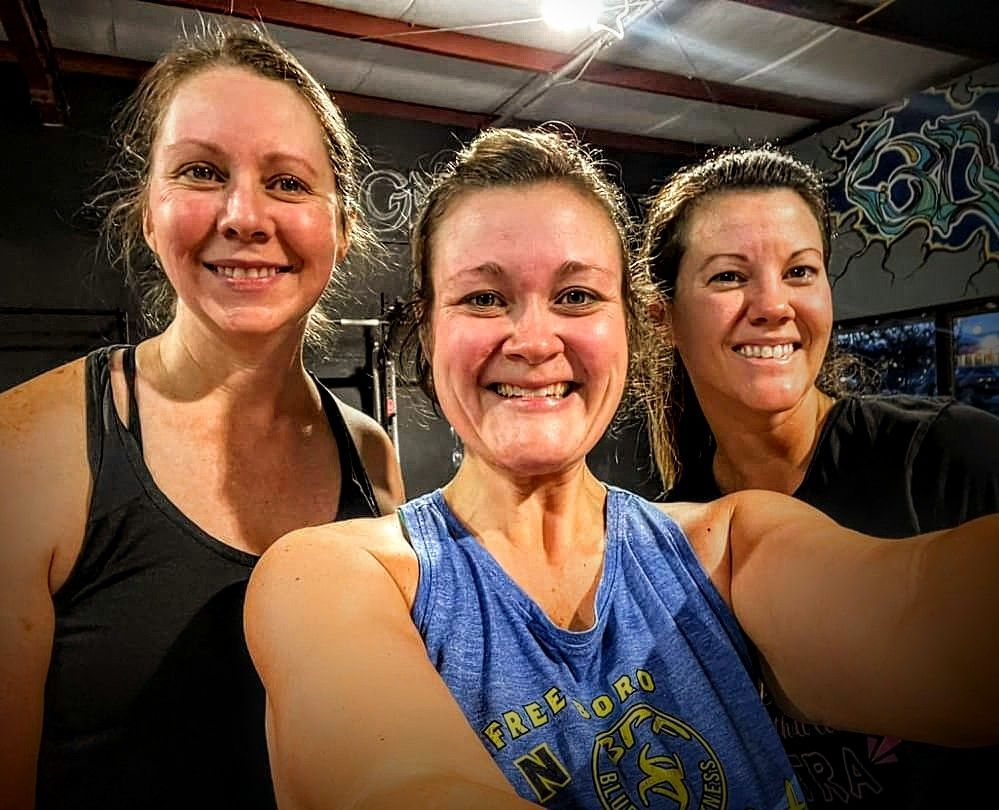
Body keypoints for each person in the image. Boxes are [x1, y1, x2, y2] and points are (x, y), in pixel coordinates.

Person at [245, 128, 998, 810]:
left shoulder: (725, 541)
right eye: (483, 296)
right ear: (428, 325)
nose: (534, 338)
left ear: (630, 325)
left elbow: (932, 627)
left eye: (575, 295)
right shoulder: (330, 577)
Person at [0, 25, 405, 810]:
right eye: (200, 172)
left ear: (342, 228)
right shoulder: (27, 451)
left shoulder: (371, 455)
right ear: (148, 215)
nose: (244, 215)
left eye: (288, 183)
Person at [640, 144, 999, 808]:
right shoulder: (668, 537)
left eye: (799, 271)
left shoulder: (948, 454)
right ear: (661, 316)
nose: (772, 304)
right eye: (727, 277)